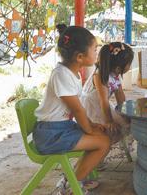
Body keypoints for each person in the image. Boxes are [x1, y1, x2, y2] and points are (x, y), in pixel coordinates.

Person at [33, 26, 110, 194]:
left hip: (61, 128)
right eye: (95, 49)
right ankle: (71, 185)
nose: (97, 53)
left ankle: (73, 178)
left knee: (102, 136)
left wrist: (92, 125)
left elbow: (79, 109)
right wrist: (89, 129)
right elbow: (77, 110)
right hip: (51, 134)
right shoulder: (61, 74)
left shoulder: (71, 73)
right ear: (80, 57)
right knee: (103, 142)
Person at [81, 42, 134, 143]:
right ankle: (100, 145)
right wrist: (109, 121)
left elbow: (120, 96)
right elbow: (103, 100)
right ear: (118, 67)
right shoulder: (99, 75)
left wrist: (125, 113)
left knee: (127, 122)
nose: (130, 67)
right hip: (92, 105)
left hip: (101, 103)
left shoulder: (115, 74)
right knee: (111, 129)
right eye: (129, 64)